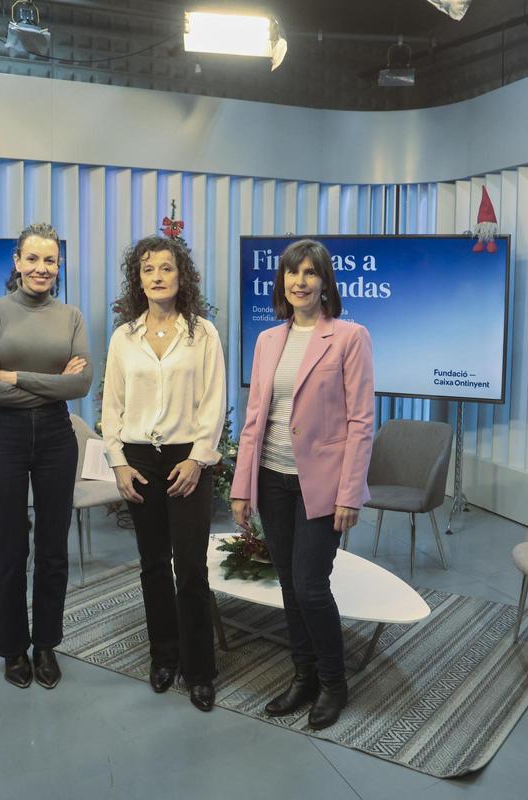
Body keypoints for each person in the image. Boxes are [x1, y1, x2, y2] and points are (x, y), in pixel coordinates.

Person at [230, 238, 374, 730]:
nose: (300, 281)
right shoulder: (268, 340)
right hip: (271, 480)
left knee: (312, 586)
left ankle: (334, 683)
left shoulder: (350, 337)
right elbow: (255, 419)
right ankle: (302, 676)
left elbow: (361, 421)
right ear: (282, 282)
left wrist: (349, 493)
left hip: (322, 486)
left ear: (325, 282)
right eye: (293, 273)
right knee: (290, 585)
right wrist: (242, 485)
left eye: (311, 273)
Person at [101, 234, 227, 712]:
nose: (157, 276)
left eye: (166, 268)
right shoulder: (123, 337)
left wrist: (198, 458)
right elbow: (111, 406)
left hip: (185, 457)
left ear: (182, 276)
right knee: (153, 564)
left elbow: (214, 403)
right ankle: (164, 656)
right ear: (139, 279)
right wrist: (118, 462)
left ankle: (200, 670)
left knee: (191, 566)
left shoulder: (202, 334)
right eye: (148, 269)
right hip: (138, 459)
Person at [0, 222, 92, 690]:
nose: (42, 268)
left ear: (58, 267)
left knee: (52, 549)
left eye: (51, 260)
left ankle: (45, 645)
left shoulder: (72, 316)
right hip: (5, 435)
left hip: (59, 441)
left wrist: (16, 377)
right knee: (9, 547)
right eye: (33, 259)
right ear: (17, 262)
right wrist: (51, 384)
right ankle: (11, 648)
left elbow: (80, 385)